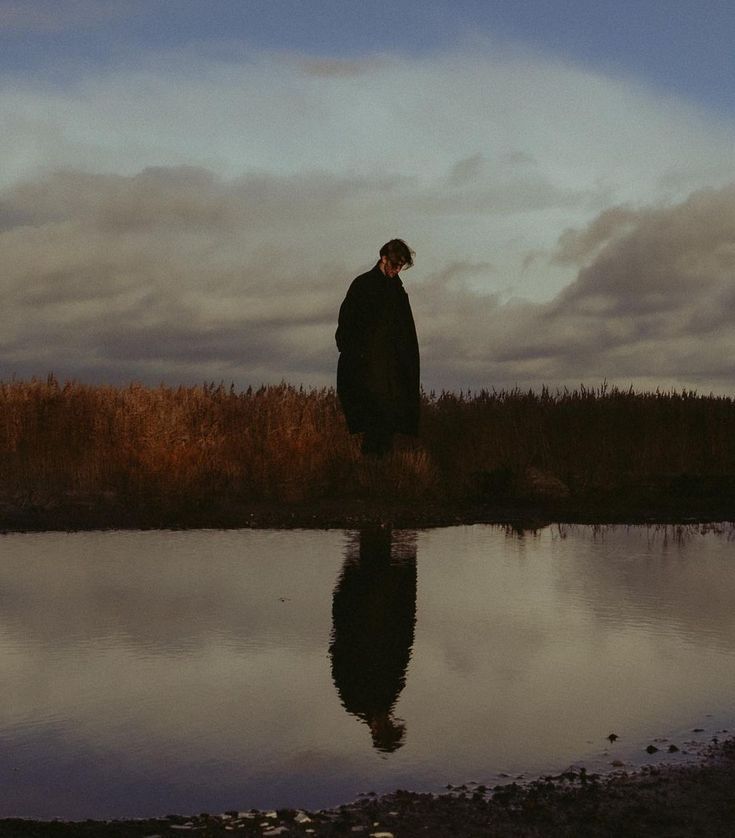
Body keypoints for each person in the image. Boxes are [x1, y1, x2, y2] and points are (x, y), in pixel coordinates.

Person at [335, 239, 420, 456]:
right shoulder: (363, 285)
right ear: (383, 258)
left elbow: (405, 332)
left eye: (401, 267)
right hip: (367, 371)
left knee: (386, 427)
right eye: (395, 265)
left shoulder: (397, 291)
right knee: (375, 423)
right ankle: (370, 479)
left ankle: (379, 480)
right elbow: (346, 325)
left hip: (390, 373)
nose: (397, 270)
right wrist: (359, 356)